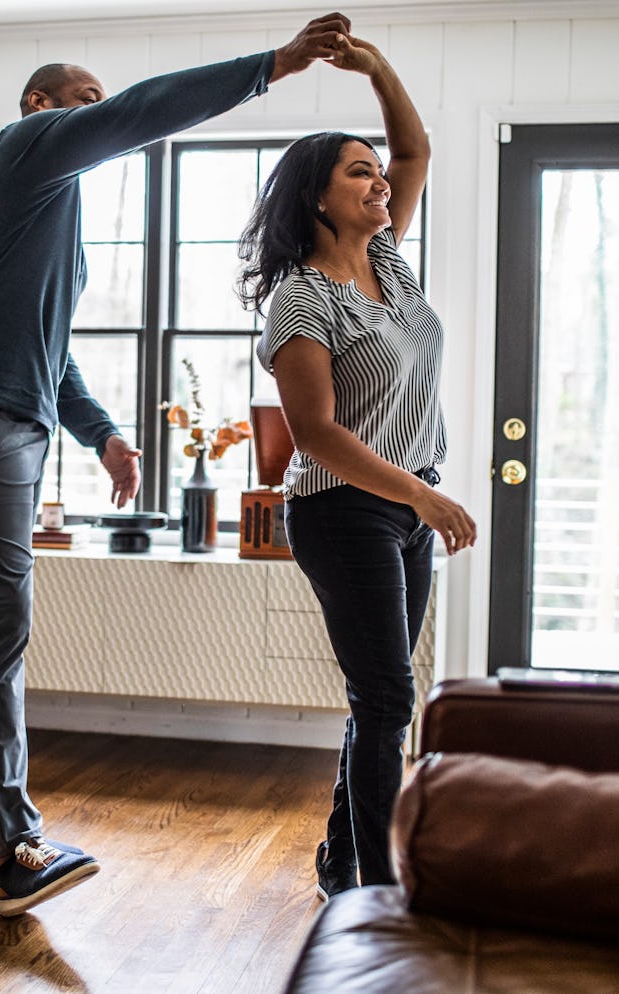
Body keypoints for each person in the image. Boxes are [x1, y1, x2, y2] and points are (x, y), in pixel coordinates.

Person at [0, 12, 356, 918]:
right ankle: (16, 844)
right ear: (40, 106)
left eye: (95, 105)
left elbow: (49, 349)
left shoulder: (48, 214)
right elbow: (146, 108)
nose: (98, 115)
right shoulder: (25, 150)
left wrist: (101, 433)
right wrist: (274, 65)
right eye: (83, 101)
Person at [239, 33, 477, 900]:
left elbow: (415, 149)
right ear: (318, 200)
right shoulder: (302, 296)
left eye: (379, 176)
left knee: (378, 698)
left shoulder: (385, 261)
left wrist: (376, 70)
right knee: (387, 698)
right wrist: (424, 495)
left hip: (403, 508)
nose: (381, 183)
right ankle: (381, 894)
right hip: (344, 512)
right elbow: (317, 435)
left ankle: (344, 865)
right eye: (358, 175)